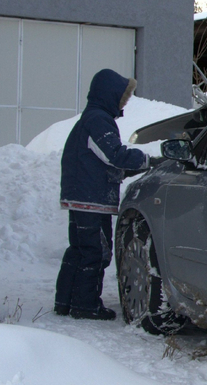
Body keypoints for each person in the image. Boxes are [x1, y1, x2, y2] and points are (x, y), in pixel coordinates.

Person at [55, 69, 150, 320]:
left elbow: (103, 161)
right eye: (123, 96)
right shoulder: (98, 120)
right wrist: (146, 159)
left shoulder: (91, 118)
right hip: (92, 198)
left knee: (79, 249)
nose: (125, 101)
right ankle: (86, 305)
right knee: (96, 251)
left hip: (82, 195)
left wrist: (129, 169)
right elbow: (114, 155)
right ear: (110, 95)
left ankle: (65, 300)